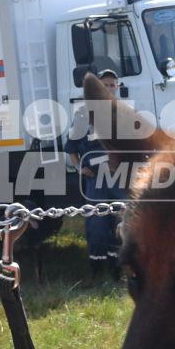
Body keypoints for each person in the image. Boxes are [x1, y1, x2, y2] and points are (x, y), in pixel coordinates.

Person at [64, 69, 128, 278]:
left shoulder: (125, 113)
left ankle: (117, 266)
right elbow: (71, 147)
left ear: (117, 88)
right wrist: (79, 167)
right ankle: (97, 269)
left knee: (120, 221)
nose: (109, 88)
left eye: (112, 85)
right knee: (97, 223)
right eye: (105, 84)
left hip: (118, 178)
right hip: (95, 180)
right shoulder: (84, 115)